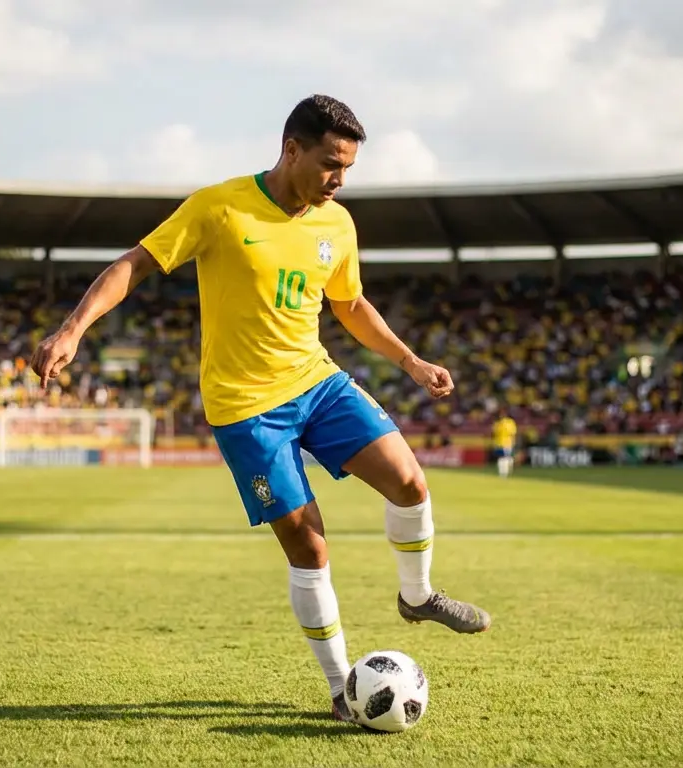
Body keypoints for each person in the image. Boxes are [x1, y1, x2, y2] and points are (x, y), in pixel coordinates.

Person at [29, 95, 491, 723]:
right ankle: (339, 689)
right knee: (310, 548)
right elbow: (136, 264)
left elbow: (349, 305)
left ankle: (418, 596)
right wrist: (73, 329)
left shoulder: (338, 224)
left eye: (348, 167)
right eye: (331, 163)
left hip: (317, 382)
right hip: (247, 408)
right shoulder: (218, 206)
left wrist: (410, 361)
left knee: (410, 481)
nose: (339, 179)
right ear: (291, 149)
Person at [492, 412, 518, 478]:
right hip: (504, 443)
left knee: (503, 458)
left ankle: (504, 473)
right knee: (504, 458)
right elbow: (513, 433)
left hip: (504, 443)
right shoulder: (509, 423)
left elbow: (494, 433)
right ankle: (504, 472)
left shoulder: (499, 423)